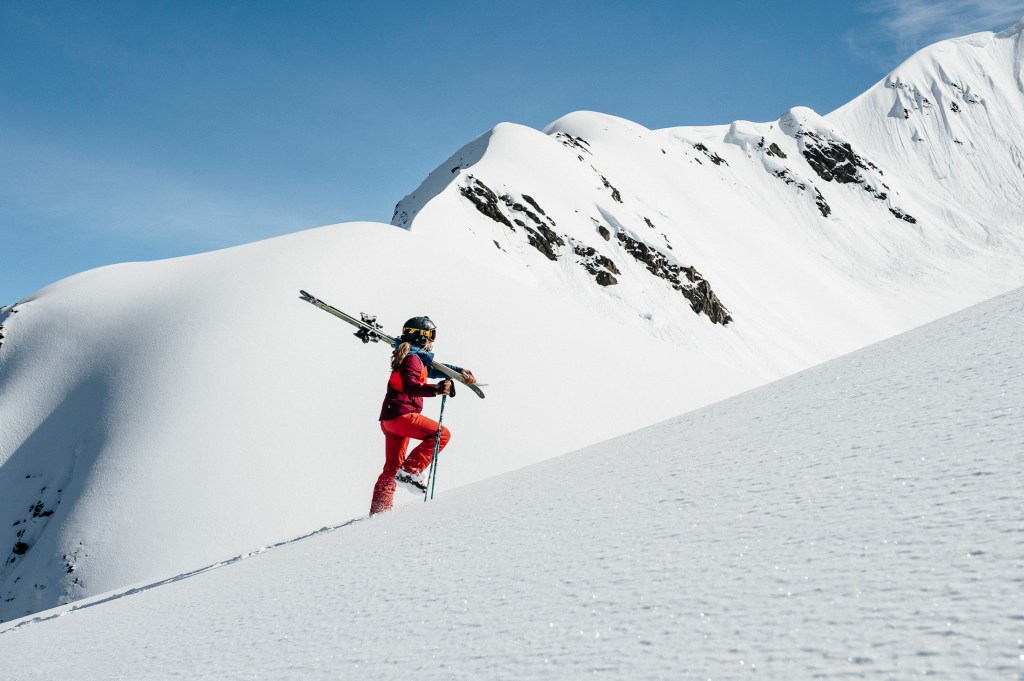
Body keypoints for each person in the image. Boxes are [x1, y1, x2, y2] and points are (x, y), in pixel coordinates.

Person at [369, 316, 475, 515]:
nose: (432, 341)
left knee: (392, 468)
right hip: (402, 416)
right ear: (421, 337)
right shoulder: (412, 359)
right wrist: (436, 389)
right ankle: (411, 471)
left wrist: (460, 372)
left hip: (390, 419)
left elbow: (436, 369)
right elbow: (410, 386)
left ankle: (379, 512)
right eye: (431, 336)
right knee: (441, 434)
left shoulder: (413, 357)